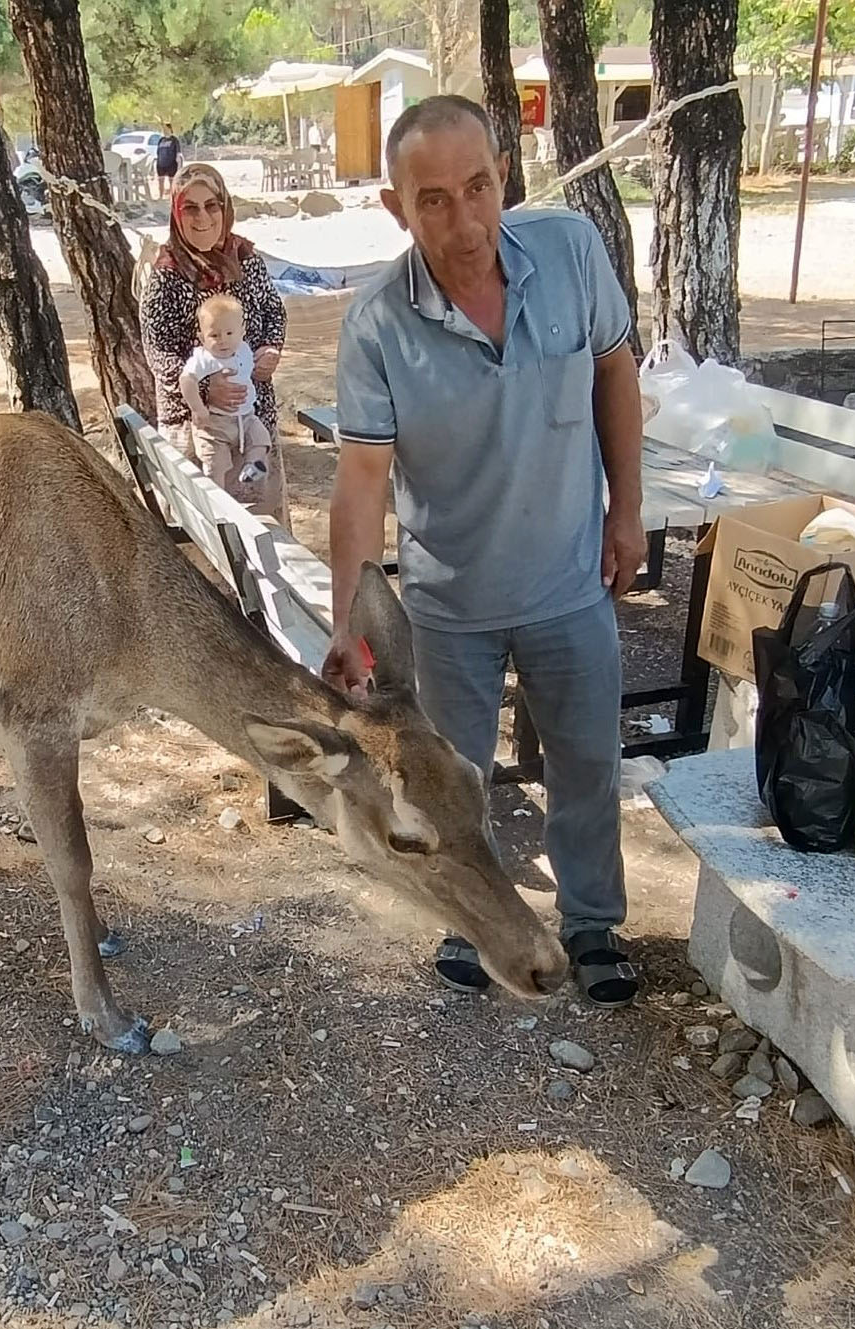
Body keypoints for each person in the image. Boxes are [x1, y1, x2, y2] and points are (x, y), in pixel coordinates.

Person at [322, 96, 647, 1009]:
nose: (463, 221)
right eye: (432, 200)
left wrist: (629, 510)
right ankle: (478, 923)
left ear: (504, 174)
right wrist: (349, 617)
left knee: (585, 759)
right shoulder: (377, 323)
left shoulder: (573, 252)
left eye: (478, 188)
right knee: (452, 782)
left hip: (569, 576)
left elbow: (615, 370)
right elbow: (359, 482)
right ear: (397, 207)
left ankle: (590, 920)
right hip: (448, 602)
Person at [140, 162, 291, 526]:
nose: (202, 216)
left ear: (225, 207)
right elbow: (157, 351)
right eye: (190, 207)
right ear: (176, 214)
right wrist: (208, 388)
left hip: (252, 419)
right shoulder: (167, 275)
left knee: (264, 537)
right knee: (209, 543)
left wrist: (271, 348)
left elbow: (274, 311)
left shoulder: (245, 260)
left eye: (212, 205)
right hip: (197, 431)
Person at [179, 294, 273, 489]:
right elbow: (187, 379)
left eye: (229, 333)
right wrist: (198, 408)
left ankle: (253, 465)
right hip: (215, 423)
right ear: (202, 337)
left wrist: (268, 355)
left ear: (242, 332)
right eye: (214, 335)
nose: (223, 341)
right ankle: (217, 498)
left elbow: (250, 369)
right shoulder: (204, 358)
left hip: (246, 417)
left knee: (260, 437)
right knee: (215, 462)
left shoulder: (244, 350)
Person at [154, 124, 181, 199]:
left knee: (172, 181)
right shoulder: (161, 140)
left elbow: (178, 153)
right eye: (163, 129)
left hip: (171, 164)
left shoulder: (174, 140)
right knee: (160, 181)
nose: (165, 131)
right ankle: (160, 196)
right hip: (161, 163)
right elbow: (158, 152)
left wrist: (178, 164)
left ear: (170, 129)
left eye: (166, 129)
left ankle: (172, 197)